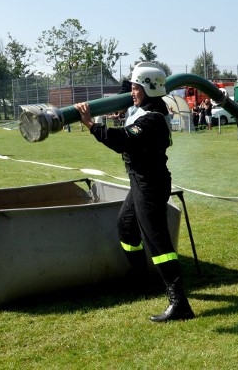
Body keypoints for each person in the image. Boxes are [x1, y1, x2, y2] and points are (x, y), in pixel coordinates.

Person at [74, 62, 195, 322]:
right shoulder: (145, 108)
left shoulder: (152, 118)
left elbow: (123, 141)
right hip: (141, 180)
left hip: (150, 182)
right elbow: (127, 101)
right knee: (126, 226)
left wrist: (92, 125)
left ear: (149, 88)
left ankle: (179, 302)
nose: (132, 92)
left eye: (136, 87)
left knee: (158, 242)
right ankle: (142, 278)